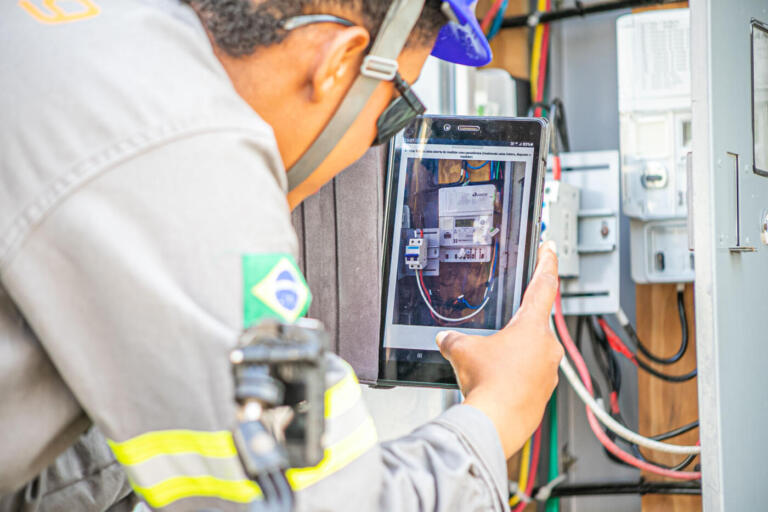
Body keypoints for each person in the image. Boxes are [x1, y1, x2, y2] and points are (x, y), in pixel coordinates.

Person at [0, 0, 564, 510]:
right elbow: (311, 503)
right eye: (395, 116)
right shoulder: (189, 150)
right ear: (337, 61)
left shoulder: (98, 36)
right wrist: (498, 412)